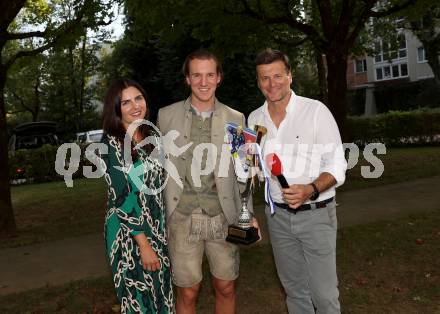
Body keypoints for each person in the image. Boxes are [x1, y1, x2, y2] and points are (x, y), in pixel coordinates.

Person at [157, 49, 257, 314]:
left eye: (210, 74)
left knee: (225, 286)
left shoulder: (236, 119)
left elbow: (243, 173)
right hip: (181, 216)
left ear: (219, 78)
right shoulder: (165, 117)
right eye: (197, 75)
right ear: (187, 79)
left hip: (223, 216)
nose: (204, 82)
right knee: (188, 291)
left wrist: (248, 215)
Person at [248, 49, 347, 314]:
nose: (272, 84)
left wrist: (310, 189)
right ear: (258, 82)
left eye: (278, 75)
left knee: (324, 296)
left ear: (290, 76)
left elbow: (338, 165)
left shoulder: (315, 112)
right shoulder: (255, 119)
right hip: (277, 218)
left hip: (316, 214)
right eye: (265, 78)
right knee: (295, 293)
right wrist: (244, 163)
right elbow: (252, 171)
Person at [100, 78, 174, 313]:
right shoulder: (111, 143)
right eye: (126, 102)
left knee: (162, 296)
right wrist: (143, 243)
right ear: (116, 108)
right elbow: (121, 197)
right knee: (139, 301)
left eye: (138, 98)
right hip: (129, 234)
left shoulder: (152, 137)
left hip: (157, 228)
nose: (135, 106)